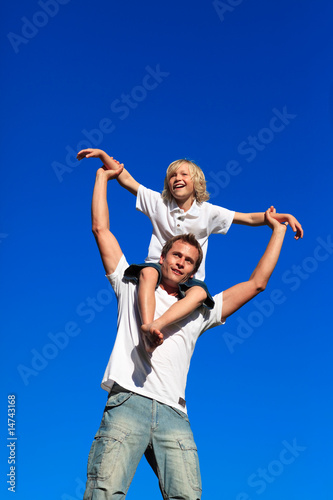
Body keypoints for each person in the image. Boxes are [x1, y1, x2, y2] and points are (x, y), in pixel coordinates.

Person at [83, 164, 289, 500]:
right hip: (127, 403)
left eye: (189, 260)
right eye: (176, 255)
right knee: (104, 492)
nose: (181, 262)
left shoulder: (199, 311)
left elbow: (256, 284)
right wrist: (101, 179)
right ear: (161, 257)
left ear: (195, 269)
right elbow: (101, 229)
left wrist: (276, 232)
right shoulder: (131, 287)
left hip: (175, 416)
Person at [77, 148, 303, 351]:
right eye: (173, 176)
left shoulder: (208, 212)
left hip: (190, 279)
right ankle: (148, 325)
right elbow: (126, 179)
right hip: (157, 266)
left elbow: (246, 218)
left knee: (199, 294)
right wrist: (104, 157)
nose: (177, 178)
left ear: (197, 183)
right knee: (147, 272)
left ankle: (160, 324)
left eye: (184, 175)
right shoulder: (159, 203)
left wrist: (274, 218)